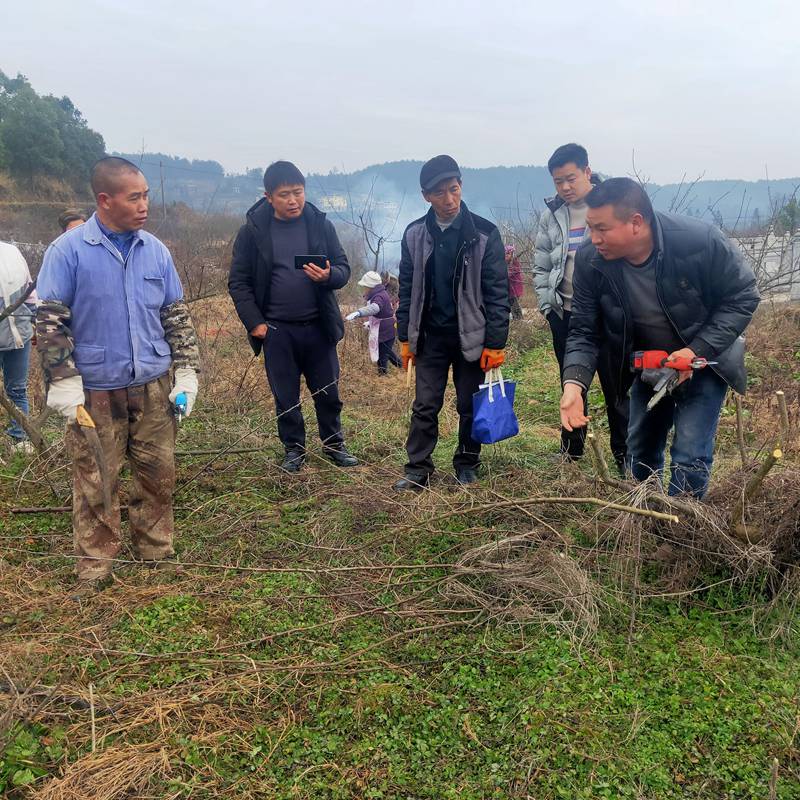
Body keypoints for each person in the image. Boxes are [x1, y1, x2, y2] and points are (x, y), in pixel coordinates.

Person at [36, 157, 201, 591]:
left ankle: (155, 553)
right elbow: (51, 322)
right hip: (95, 393)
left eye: (146, 195)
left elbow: (175, 316)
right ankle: (95, 568)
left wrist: (185, 372)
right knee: (96, 482)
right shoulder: (68, 252)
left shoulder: (156, 251)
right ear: (105, 200)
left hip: (152, 389)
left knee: (157, 475)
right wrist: (64, 383)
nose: (145, 205)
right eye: (135, 197)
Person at [560, 177, 760, 498]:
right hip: (648, 366)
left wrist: (696, 349)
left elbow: (743, 296)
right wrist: (574, 385)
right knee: (640, 448)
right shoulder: (591, 261)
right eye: (590, 227)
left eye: (602, 228)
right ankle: (645, 519)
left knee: (690, 453)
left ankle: (683, 529)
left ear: (636, 223)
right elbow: (584, 329)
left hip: (703, 362)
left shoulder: (699, 241)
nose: (593, 238)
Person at [228, 160, 358, 473]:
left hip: (318, 327)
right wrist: (256, 323)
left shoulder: (319, 225)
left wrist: (329, 275)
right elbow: (238, 282)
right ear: (268, 196)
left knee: (328, 392)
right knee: (285, 397)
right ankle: (294, 450)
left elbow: (344, 268)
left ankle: (334, 444)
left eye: (298, 192)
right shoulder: (253, 232)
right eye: (285, 194)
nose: (293, 200)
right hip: (276, 330)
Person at [395, 155, 510, 490]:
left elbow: (498, 293)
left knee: (468, 405)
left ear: (461, 186)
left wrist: (495, 343)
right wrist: (405, 337)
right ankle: (418, 468)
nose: (449, 200)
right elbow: (406, 288)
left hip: (471, 338)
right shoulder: (415, 234)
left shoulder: (484, 234)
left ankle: (467, 463)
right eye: (440, 193)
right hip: (430, 337)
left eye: (454, 189)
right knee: (425, 405)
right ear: (425, 195)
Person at [534, 143, 629, 474]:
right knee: (571, 382)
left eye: (571, 178)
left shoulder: (611, 207)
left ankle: (625, 455)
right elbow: (542, 263)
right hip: (566, 314)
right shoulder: (552, 216)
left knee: (618, 386)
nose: (565, 187)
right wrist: (549, 306)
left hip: (609, 314)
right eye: (558, 181)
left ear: (588, 172)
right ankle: (571, 449)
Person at [0, 241, 37, 453]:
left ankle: (19, 437)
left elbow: (29, 290)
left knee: (17, 389)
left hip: (18, 335)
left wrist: (34, 320)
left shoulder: (12, 252)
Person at [345, 271, 402, 374]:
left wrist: (359, 312)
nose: (364, 289)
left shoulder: (378, 296)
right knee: (386, 351)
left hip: (386, 331)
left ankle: (382, 376)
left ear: (371, 287)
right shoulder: (380, 293)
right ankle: (401, 365)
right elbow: (382, 314)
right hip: (386, 330)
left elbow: (376, 308)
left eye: (365, 286)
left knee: (383, 356)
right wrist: (370, 323)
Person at [505, 245, 524, 320]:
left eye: (508, 254)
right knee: (510, 304)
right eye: (505, 254)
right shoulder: (505, 263)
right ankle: (513, 318)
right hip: (509, 290)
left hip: (514, 290)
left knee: (515, 305)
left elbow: (509, 274)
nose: (506, 256)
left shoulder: (515, 263)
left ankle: (519, 319)